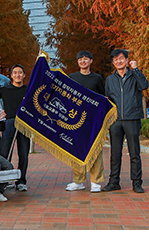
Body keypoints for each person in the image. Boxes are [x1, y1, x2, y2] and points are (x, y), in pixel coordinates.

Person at [103, 49, 149, 193]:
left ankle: (136, 182)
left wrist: (136, 69)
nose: (119, 61)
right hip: (116, 121)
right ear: (113, 63)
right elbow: (108, 99)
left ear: (127, 60)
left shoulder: (135, 75)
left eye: (121, 58)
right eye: (115, 60)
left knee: (134, 152)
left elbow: (144, 86)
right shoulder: (110, 80)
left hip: (132, 118)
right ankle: (114, 181)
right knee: (115, 153)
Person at [66, 51, 105, 193]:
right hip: (76, 120)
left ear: (91, 61)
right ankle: (78, 181)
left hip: (94, 120)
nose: (83, 61)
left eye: (86, 59)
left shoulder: (97, 78)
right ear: (77, 62)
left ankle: (96, 181)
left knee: (96, 149)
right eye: (80, 59)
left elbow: (102, 97)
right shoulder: (72, 77)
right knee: (76, 150)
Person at [0, 64, 29, 192]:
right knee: (4, 152)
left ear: (24, 75)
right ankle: (4, 181)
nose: (17, 75)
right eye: (15, 73)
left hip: (25, 124)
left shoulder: (29, 90)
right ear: (11, 76)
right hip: (9, 122)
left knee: (23, 153)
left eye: (20, 73)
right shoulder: (5, 89)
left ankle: (21, 181)